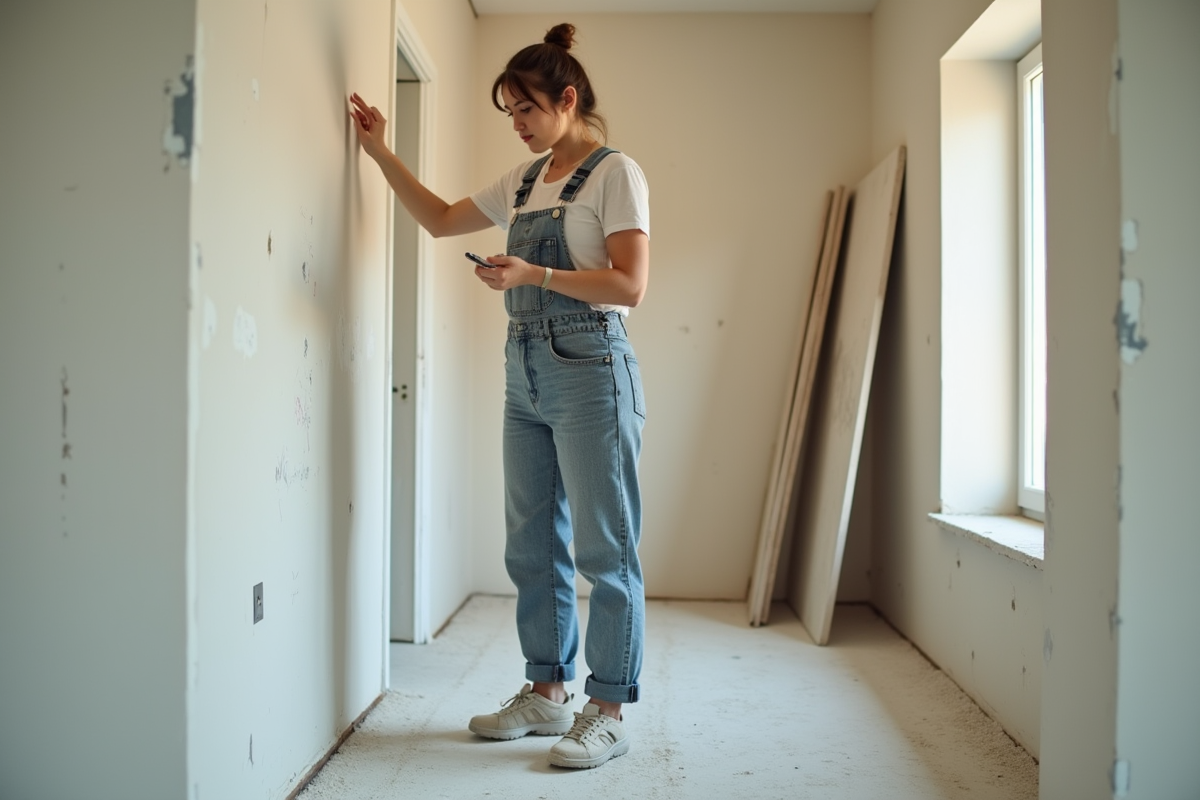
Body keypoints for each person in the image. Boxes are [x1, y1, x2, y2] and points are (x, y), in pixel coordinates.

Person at [349, 22, 649, 770]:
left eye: (525, 110)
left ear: (567, 99)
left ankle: (606, 707)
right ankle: (547, 692)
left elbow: (629, 285)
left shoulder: (616, 173)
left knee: (605, 548)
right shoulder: (523, 180)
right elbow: (441, 219)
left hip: (589, 365)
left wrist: (534, 276)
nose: (516, 126)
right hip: (526, 370)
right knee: (531, 542)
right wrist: (380, 149)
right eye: (509, 112)